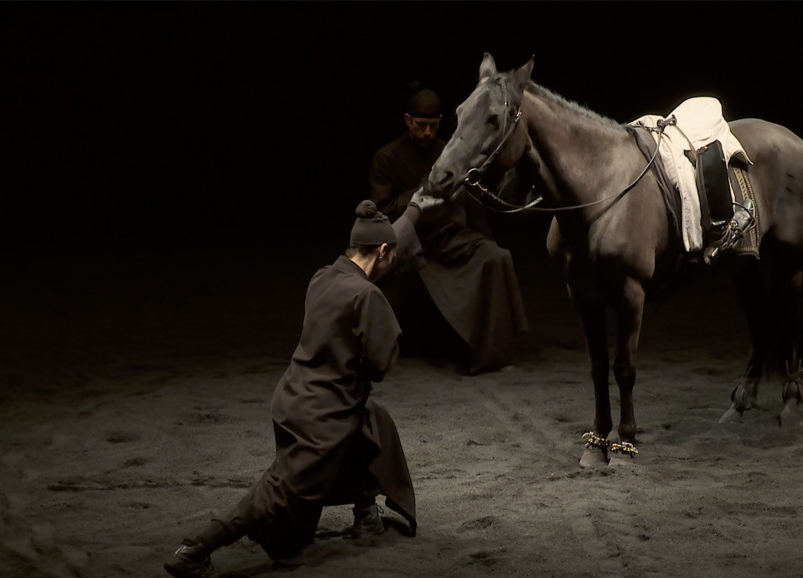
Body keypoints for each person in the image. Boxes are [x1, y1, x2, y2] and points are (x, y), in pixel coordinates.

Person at [163, 199, 431, 578]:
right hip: (322, 414)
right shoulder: (368, 296)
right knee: (277, 493)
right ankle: (195, 548)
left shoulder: (323, 276)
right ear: (384, 251)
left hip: (292, 397)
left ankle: (365, 513)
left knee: (373, 423)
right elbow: (381, 364)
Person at [369, 84, 530, 375]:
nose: (427, 132)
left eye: (433, 125)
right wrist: (424, 188)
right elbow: (382, 212)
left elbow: (471, 202)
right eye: (420, 125)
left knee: (495, 257)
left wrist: (484, 237)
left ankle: (494, 354)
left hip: (453, 238)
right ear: (408, 121)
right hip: (416, 242)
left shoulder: (449, 151)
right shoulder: (387, 157)